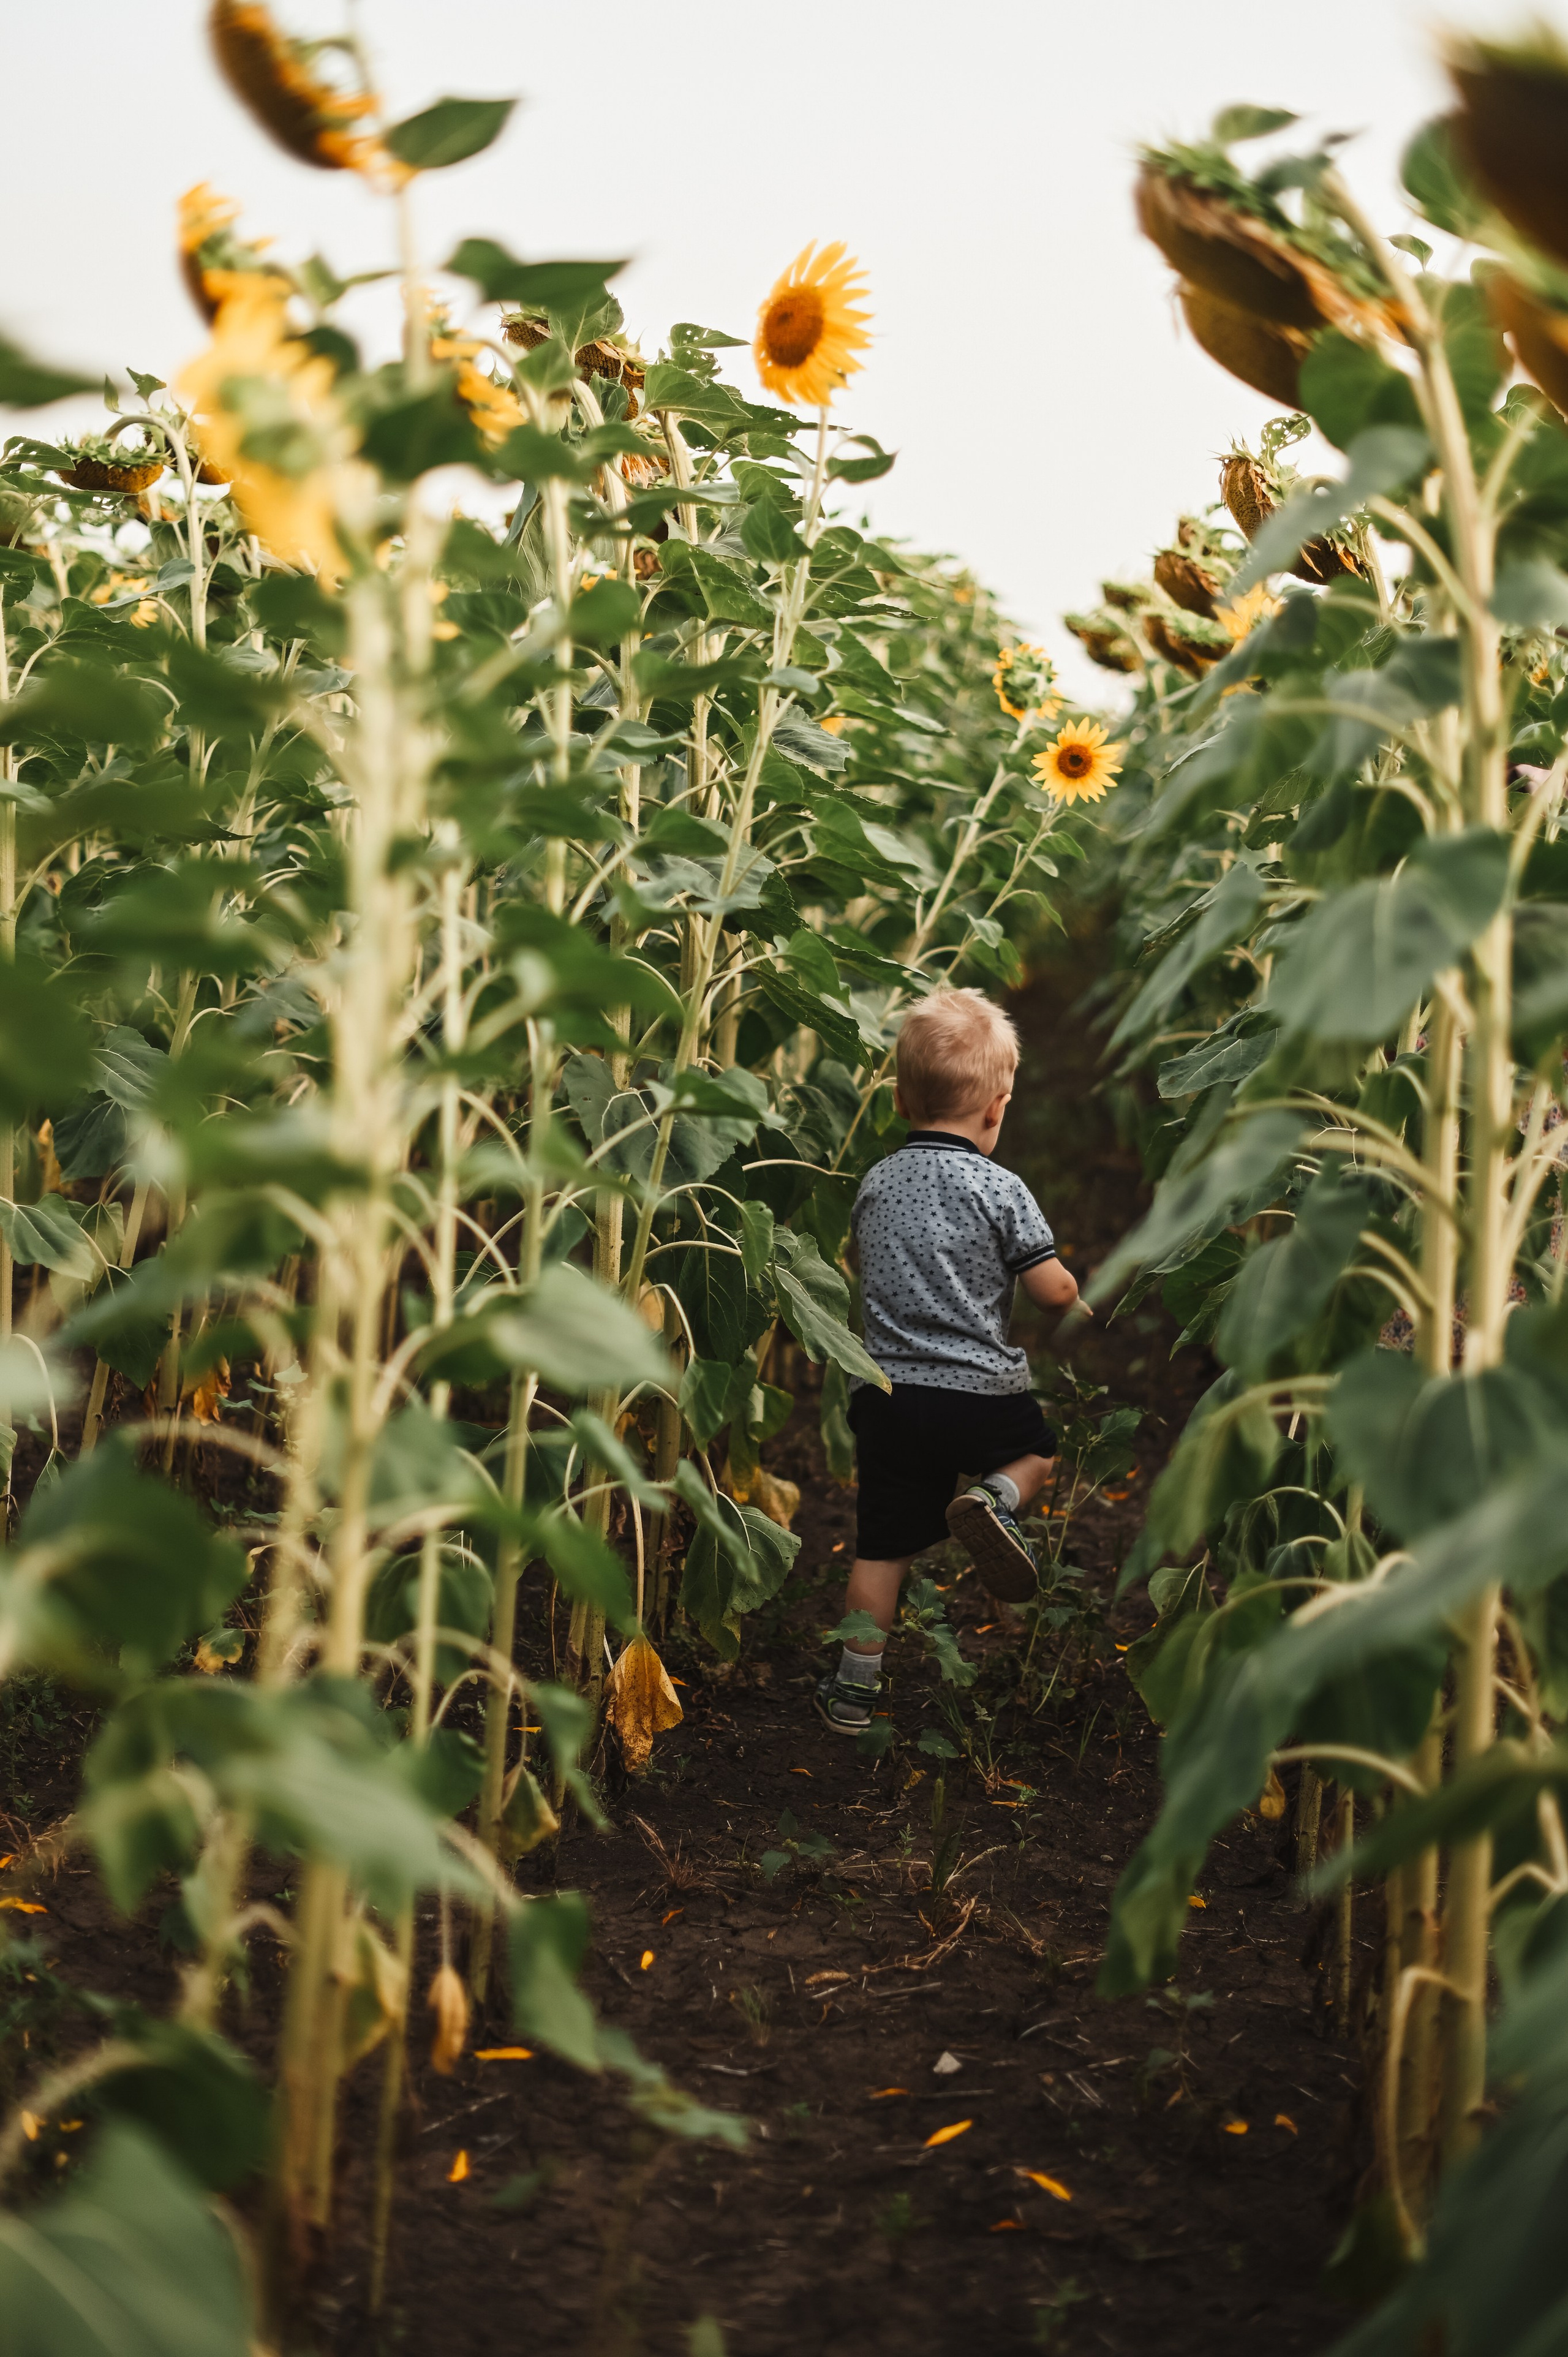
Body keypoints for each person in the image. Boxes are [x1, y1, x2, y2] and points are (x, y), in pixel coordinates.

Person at [816, 986, 1086, 1735]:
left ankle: (854, 1690)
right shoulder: (1001, 1187)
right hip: (980, 1394)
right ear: (996, 1108)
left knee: (881, 1548)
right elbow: (1049, 1286)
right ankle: (996, 1499)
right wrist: (1073, 1298)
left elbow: (866, 1260)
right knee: (1036, 1452)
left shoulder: (876, 1182)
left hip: (888, 1394)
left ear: (901, 1098)